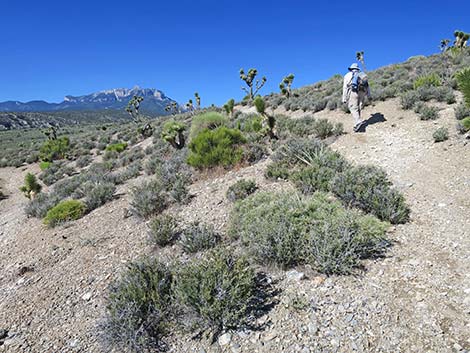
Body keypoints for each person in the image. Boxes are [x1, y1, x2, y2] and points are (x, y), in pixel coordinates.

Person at [342, 63, 370, 132]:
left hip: (353, 91)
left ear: (351, 69)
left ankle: (358, 122)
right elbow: (367, 85)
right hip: (362, 92)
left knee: (353, 107)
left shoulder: (347, 75)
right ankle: (357, 123)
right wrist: (369, 94)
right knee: (358, 107)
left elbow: (345, 87)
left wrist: (344, 98)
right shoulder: (362, 74)